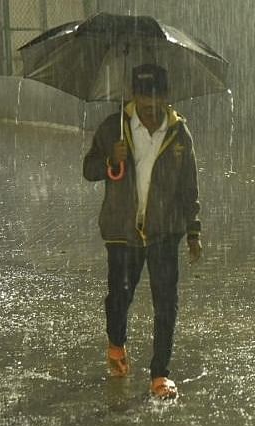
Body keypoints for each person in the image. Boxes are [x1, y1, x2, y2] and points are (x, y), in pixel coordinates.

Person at [83, 63, 202, 400]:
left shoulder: (179, 134)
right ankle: (116, 343)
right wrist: (111, 160)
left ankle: (160, 374)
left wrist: (193, 231)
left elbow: (189, 186)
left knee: (166, 303)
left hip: (164, 231)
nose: (150, 107)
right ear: (133, 96)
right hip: (122, 231)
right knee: (119, 296)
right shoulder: (114, 128)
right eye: (144, 98)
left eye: (156, 98)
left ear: (166, 97)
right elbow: (89, 169)